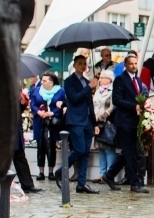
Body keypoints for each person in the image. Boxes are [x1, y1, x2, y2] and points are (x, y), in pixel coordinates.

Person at [100, 54, 151, 194]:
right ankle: (135, 184)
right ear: (125, 65)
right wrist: (133, 106)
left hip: (135, 122)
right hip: (124, 122)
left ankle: (109, 175)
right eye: (131, 64)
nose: (134, 66)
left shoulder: (138, 80)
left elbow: (140, 97)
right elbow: (116, 100)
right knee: (130, 153)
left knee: (129, 152)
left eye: (136, 63)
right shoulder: (120, 80)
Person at [57, 55, 99, 194]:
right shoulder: (69, 81)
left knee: (86, 153)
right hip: (75, 120)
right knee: (79, 149)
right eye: (79, 63)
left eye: (84, 63)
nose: (82, 66)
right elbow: (74, 99)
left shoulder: (87, 81)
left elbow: (89, 103)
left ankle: (82, 183)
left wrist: (94, 122)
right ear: (74, 65)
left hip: (87, 120)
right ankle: (61, 171)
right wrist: (89, 87)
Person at [30, 72, 64, 182]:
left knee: (51, 146)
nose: (42, 82)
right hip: (40, 122)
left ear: (51, 82)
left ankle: (51, 171)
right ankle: (40, 171)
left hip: (53, 122)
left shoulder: (60, 91)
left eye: (44, 80)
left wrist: (52, 113)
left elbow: (63, 105)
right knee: (41, 145)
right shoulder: (37, 90)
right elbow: (33, 104)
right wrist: (39, 112)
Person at [92, 69, 117, 183]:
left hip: (108, 122)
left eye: (102, 77)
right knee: (100, 148)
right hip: (97, 122)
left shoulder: (113, 90)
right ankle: (102, 173)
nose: (100, 79)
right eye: (100, 77)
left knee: (108, 148)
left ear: (109, 79)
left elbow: (112, 107)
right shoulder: (98, 91)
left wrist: (102, 116)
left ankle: (109, 174)